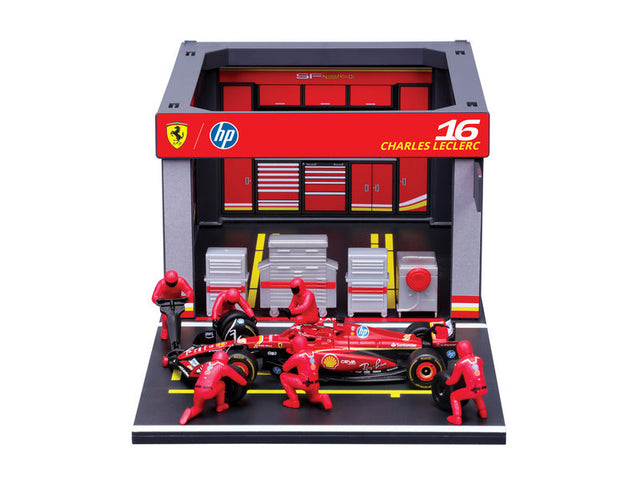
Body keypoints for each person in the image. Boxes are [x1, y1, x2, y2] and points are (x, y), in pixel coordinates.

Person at [179, 351, 247, 424]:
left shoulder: (206, 364)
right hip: (209, 391)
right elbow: (239, 379)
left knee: (198, 408)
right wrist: (246, 383)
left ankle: (190, 412)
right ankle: (220, 406)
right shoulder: (223, 367)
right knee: (222, 384)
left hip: (197, 390)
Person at [280, 335, 332, 410]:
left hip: (304, 383)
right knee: (313, 398)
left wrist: (292, 355)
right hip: (315, 384)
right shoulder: (314, 354)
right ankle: (322, 397)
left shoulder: (298, 356)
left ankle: (294, 401)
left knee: (283, 376)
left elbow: (285, 368)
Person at [445, 340, 488, 425]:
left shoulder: (461, 363)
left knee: (454, 396)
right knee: (477, 395)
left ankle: (457, 417)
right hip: (483, 388)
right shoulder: (479, 359)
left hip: (471, 390)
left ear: (459, 351)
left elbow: (454, 380)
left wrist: (446, 382)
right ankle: (483, 412)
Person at [152, 270, 194, 340]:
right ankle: (165, 329)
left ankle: (176, 330)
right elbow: (154, 296)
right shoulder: (161, 283)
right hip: (166, 302)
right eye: (169, 284)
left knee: (177, 316)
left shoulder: (181, 282)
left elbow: (189, 291)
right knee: (165, 316)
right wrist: (157, 300)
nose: (171, 285)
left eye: (174, 283)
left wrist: (187, 297)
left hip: (177, 301)